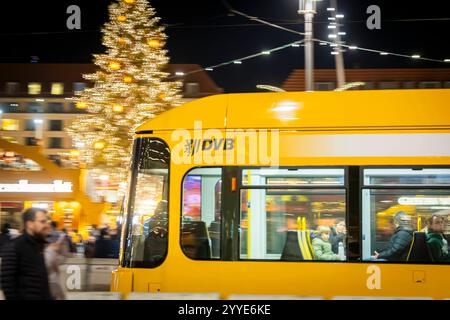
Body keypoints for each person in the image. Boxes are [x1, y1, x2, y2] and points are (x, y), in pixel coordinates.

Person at [0, 208, 52, 300]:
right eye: (42, 222)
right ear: (30, 224)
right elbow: (8, 286)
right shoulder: (14, 246)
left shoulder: (39, 246)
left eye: (46, 221)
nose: (46, 225)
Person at [45, 234, 69, 300]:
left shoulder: (53, 255)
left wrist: (63, 243)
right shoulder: (47, 253)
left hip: (54, 288)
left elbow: (64, 257)